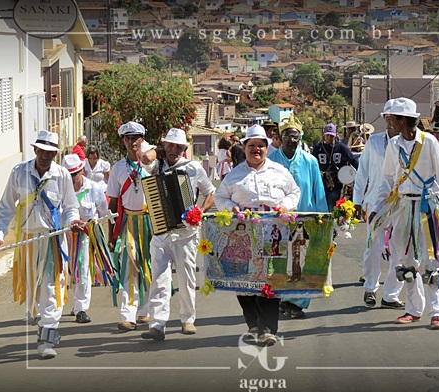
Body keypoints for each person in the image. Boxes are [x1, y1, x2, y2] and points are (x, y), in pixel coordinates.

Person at [369, 97, 439, 330]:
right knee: (405, 261)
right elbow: (387, 179)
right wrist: (377, 208)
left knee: (430, 261)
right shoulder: (394, 144)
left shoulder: (429, 142)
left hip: (428, 208)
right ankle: (413, 310)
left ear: (403, 119)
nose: (388, 122)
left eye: (391, 118)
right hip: (402, 207)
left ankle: (436, 312)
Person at [0, 130, 83, 359]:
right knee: (34, 292)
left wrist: (73, 221)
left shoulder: (62, 175)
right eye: (42, 151)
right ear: (35, 150)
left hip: (52, 240)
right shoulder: (19, 172)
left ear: (56, 154)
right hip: (27, 241)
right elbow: (5, 208)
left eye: (50, 152)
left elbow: (71, 207)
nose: (45, 156)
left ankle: (47, 339)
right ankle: (42, 323)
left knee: (52, 289)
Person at [215, 124, 300, 346]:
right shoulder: (234, 175)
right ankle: (253, 323)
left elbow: (294, 192)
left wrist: (285, 205)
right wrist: (231, 208)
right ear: (244, 148)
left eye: (261, 145)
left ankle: (268, 329)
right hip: (243, 236)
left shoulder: (279, 171)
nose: (256, 149)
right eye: (251, 145)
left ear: (266, 148)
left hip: (274, 233)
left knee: (270, 280)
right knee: (243, 279)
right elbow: (220, 198)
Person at [140, 128, 215, 340]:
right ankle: (157, 324)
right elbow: (145, 158)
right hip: (161, 231)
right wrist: (160, 150)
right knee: (159, 279)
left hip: (186, 233)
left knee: (186, 277)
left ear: (184, 148)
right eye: (170, 145)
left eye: (178, 147)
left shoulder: (193, 168)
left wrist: (200, 211)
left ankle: (188, 319)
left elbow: (210, 193)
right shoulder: (157, 165)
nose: (174, 150)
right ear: (164, 146)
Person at [269, 113, 328, 318]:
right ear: (280, 137)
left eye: (296, 136)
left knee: (301, 261)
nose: (292, 140)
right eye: (288, 136)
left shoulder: (310, 161)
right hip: (278, 221)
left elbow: (318, 191)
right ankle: (282, 298)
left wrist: (323, 219)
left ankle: (298, 302)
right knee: (279, 260)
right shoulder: (270, 162)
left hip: (305, 220)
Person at [353, 99, 405, 310]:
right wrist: (357, 201)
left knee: (399, 250)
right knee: (373, 248)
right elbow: (362, 172)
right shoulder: (373, 142)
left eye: (394, 118)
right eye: (387, 118)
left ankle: (391, 295)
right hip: (375, 204)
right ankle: (370, 287)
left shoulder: (410, 143)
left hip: (402, 205)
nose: (390, 122)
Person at [106, 121, 153, 332]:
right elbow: (113, 202)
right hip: (128, 224)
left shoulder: (152, 166)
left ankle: (145, 310)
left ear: (142, 139)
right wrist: (111, 234)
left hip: (150, 222)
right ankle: (127, 315)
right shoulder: (118, 168)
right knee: (129, 269)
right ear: (123, 141)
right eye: (128, 138)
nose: (132, 141)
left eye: (136, 137)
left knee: (149, 266)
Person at [63, 154, 108, 323]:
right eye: (69, 175)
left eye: (75, 174)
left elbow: (102, 211)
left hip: (86, 236)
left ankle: (81, 308)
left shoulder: (94, 188)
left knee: (82, 270)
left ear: (82, 170)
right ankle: (68, 305)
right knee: (66, 271)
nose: (72, 178)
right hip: (65, 236)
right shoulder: (61, 190)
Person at [313, 123, 359, 212]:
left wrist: (361, 173)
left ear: (335, 135)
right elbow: (312, 164)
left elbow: (353, 160)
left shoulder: (341, 147)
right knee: (321, 204)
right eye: (327, 135)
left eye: (332, 136)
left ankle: (331, 219)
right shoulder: (318, 148)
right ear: (324, 135)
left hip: (336, 182)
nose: (329, 138)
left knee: (332, 205)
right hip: (321, 181)